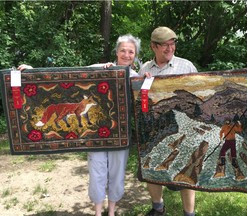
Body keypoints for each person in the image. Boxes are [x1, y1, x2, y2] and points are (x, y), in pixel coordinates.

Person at [18, 33, 141, 216]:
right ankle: (98, 212)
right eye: (123, 50)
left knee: (117, 174)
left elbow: (146, 101)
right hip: (95, 134)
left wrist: (147, 80)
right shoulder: (99, 68)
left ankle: (112, 211)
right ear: (116, 52)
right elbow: (65, 76)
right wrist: (32, 71)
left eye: (131, 52)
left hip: (119, 136)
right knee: (97, 173)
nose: (126, 54)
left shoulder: (135, 77)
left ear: (135, 55)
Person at [138, 26, 197, 216]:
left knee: (186, 174)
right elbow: (140, 101)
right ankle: (158, 208)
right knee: (152, 169)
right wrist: (142, 84)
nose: (170, 48)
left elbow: (198, 98)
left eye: (172, 44)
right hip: (155, 129)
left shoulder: (186, 66)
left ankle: (189, 214)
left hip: (183, 128)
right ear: (153, 46)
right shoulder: (145, 68)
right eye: (165, 45)